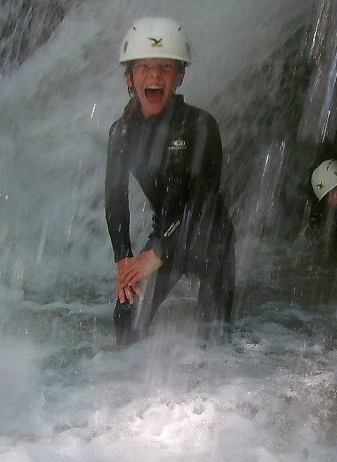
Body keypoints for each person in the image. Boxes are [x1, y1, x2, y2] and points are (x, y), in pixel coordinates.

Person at [104, 17, 236, 346]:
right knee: (126, 323)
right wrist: (125, 260)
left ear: (179, 76)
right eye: (145, 66)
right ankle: (126, 388)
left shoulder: (201, 126)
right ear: (129, 77)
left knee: (216, 339)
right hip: (165, 235)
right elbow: (115, 199)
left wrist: (156, 254)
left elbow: (203, 201)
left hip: (210, 242)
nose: (155, 75)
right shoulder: (121, 133)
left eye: (165, 67)